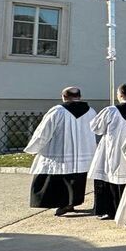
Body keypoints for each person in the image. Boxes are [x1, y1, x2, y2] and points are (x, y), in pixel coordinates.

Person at [25, 87, 96, 216]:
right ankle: (71, 203)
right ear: (79, 96)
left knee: (57, 179)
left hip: (60, 152)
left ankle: (63, 204)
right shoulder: (91, 112)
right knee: (76, 180)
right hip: (83, 152)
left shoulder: (58, 111)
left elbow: (43, 133)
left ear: (63, 96)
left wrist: (33, 148)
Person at [87, 83, 126, 220]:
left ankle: (110, 211)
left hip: (113, 149)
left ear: (120, 95)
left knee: (110, 178)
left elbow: (96, 128)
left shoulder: (111, 110)